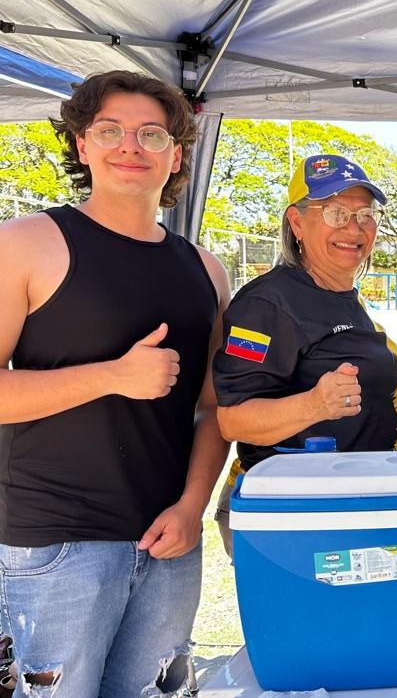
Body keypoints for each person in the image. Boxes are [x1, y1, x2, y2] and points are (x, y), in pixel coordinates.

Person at [0, 70, 230, 695]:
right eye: (110, 130)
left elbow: (214, 411)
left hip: (167, 541)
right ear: (82, 144)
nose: (130, 146)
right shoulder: (27, 244)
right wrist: (113, 376)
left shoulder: (206, 269)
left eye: (151, 134)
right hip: (56, 542)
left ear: (177, 154)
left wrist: (192, 506)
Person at [213, 154, 397, 554]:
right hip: (291, 513)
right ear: (297, 222)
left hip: (346, 502)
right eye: (337, 213)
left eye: (365, 214)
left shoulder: (341, 296)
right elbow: (233, 420)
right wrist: (313, 405)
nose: (354, 227)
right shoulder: (268, 304)